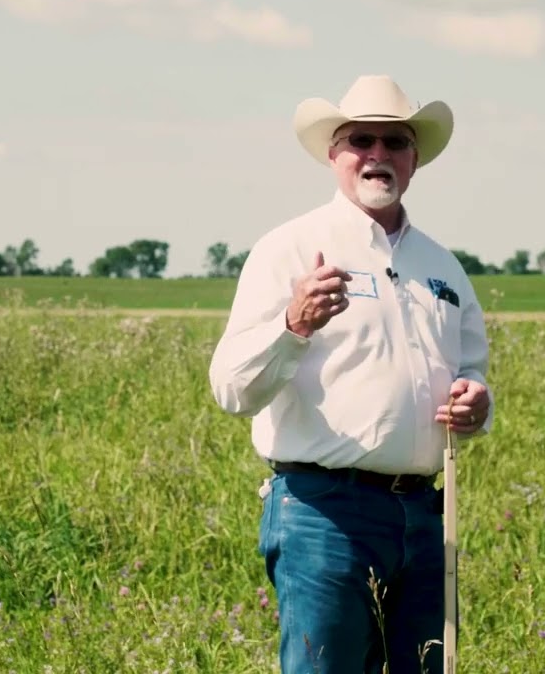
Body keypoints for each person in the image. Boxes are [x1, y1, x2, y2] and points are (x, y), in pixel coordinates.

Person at [208, 74, 494, 674]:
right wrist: (295, 323)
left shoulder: (442, 267)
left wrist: (475, 402)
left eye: (395, 143)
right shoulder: (289, 248)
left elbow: (471, 370)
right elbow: (231, 389)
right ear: (334, 154)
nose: (378, 156)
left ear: (416, 158)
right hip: (323, 512)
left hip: (424, 516)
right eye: (362, 140)